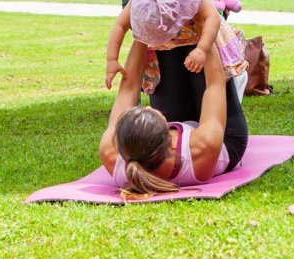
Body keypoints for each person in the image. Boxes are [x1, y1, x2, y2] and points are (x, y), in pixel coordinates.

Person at [99, 39, 249, 196]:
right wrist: (205, 36)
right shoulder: (202, 147)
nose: (149, 107)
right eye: (152, 112)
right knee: (197, 45)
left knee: (167, 38)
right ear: (168, 135)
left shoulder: (110, 151)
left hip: (182, 129)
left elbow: (128, 88)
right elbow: (215, 83)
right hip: (225, 137)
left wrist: (142, 34)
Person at [104, 0, 247, 93]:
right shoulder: (140, 0)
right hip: (166, 53)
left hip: (201, 33)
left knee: (215, 76)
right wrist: (112, 59)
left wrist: (202, 49)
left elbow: (213, 18)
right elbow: (119, 26)